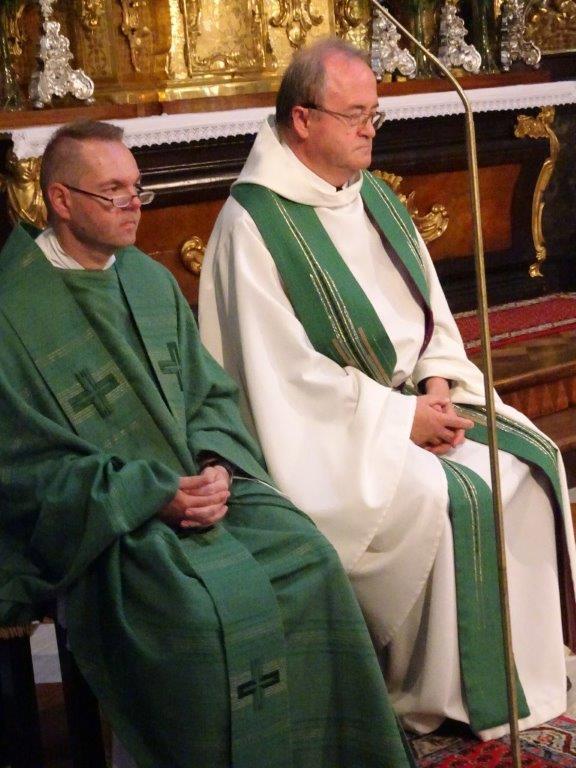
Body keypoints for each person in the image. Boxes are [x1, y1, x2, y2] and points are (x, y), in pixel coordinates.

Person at [0, 119, 416, 768]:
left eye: (138, 188)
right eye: (114, 192)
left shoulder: (147, 280)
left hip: (201, 491)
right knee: (195, 618)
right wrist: (150, 495)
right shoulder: (15, 310)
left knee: (310, 558)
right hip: (111, 521)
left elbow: (209, 397)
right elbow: (22, 468)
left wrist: (217, 462)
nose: (134, 204)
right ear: (61, 200)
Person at [199, 37, 576, 741]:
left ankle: (527, 672)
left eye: (375, 114)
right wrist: (401, 419)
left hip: (411, 400)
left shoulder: (371, 196)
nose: (371, 130)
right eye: (356, 116)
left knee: (531, 462)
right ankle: (438, 692)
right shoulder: (252, 226)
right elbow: (283, 380)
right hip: (329, 438)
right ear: (303, 119)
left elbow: (429, 310)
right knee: (445, 494)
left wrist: (437, 381)